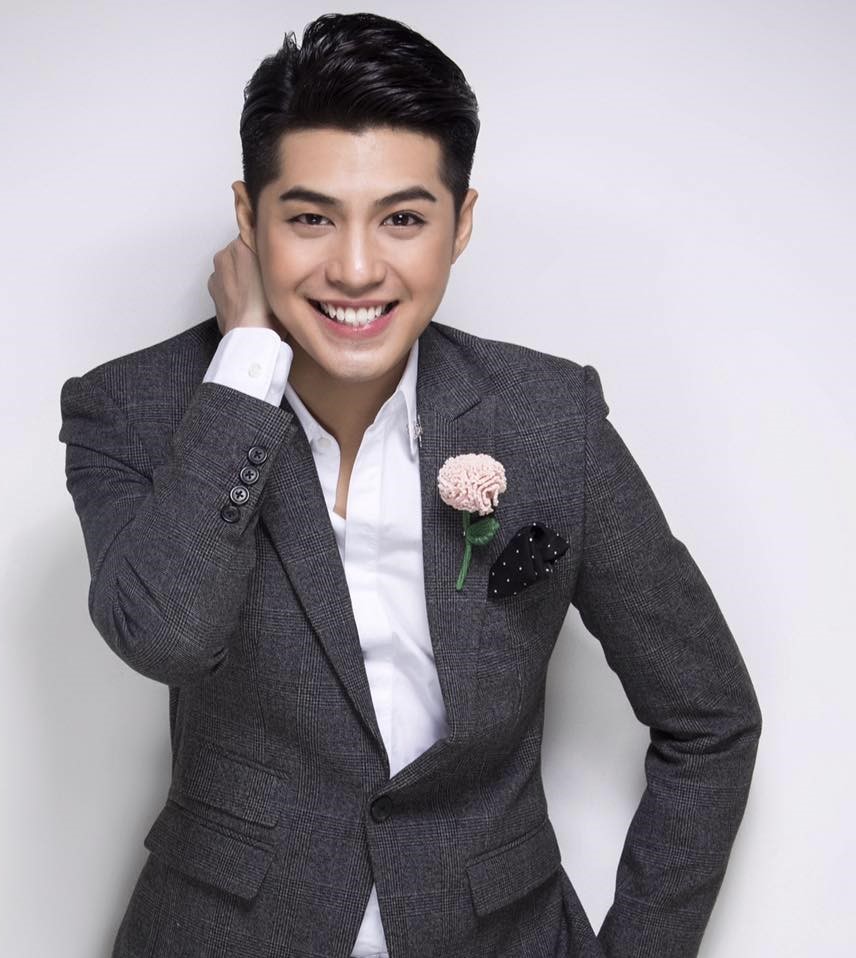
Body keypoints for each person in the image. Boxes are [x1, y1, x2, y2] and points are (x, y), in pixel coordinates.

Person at [58, 12, 762, 958]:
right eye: (310, 218)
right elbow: (167, 637)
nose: (356, 269)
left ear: (460, 223)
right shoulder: (131, 408)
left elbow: (710, 717)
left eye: (403, 218)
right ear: (248, 219)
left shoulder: (552, 417)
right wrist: (247, 367)